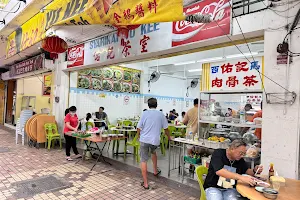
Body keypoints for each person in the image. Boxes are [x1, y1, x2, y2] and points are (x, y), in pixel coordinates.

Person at [137, 98, 171, 189]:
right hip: (155, 141)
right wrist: (169, 138)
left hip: (144, 140)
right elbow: (166, 129)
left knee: (143, 160)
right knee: (153, 152)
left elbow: (139, 127)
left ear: (148, 105)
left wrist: (138, 136)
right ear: (156, 105)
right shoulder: (161, 114)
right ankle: (155, 171)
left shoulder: (144, 113)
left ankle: (146, 184)